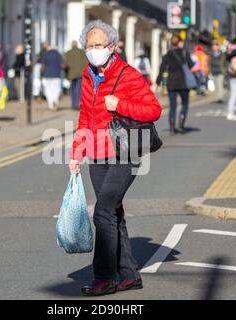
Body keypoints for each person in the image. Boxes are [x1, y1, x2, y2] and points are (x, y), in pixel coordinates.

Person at [69, 20, 162, 297]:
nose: (94, 50)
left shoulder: (128, 75)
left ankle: (104, 277)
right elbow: (85, 116)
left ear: (112, 46)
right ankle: (130, 275)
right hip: (97, 155)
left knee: (102, 212)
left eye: (99, 45)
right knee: (114, 214)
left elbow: (153, 110)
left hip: (125, 152)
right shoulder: (88, 76)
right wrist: (77, 152)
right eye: (90, 46)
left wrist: (120, 104)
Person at [156, 35, 194, 135]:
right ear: (179, 43)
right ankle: (181, 125)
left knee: (172, 106)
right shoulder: (185, 53)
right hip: (183, 83)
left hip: (171, 82)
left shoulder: (167, 55)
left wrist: (157, 83)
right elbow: (191, 65)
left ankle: (172, 128)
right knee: (185, 103)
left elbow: (161, 70)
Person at [39, 42, 64, 111]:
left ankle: (50, 104)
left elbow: (42, 66)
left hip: (47, 75)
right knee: (56, 89)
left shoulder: (45, 54)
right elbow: (62, 65)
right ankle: (55, 100)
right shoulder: (59, 55)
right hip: (56, 75)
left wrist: (41, 75)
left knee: (48, 90)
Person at [64, 40, 88, 110]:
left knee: (72, 90)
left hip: (71, 74)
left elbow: (66, 64)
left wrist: (67, 75)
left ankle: (73, 105)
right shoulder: (82, 52)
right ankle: (77, 104)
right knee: (79, 89)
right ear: (77, 45)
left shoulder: (67, 53)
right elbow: (85, 63)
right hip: (80, 74)